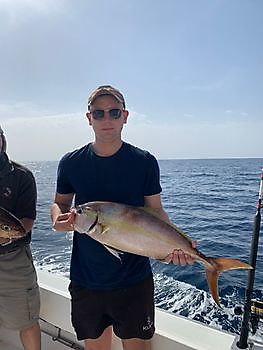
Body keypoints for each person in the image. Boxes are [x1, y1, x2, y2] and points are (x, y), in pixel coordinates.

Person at [51, 85, 195, 350]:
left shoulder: (144, 161)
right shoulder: (71, 162)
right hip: (86, 278)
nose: (107, 119)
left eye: (114, 112)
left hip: (133, 279)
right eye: (99, 113)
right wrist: (58, 219)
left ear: (125, 116)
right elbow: (60, 203)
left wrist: (175, 246)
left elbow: (156, 211)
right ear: (89, 118)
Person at [0, 126, 41, 350]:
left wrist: (6, 237)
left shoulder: (21, 176)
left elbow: (25, 223)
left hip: (12, 260)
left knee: (27, 321)